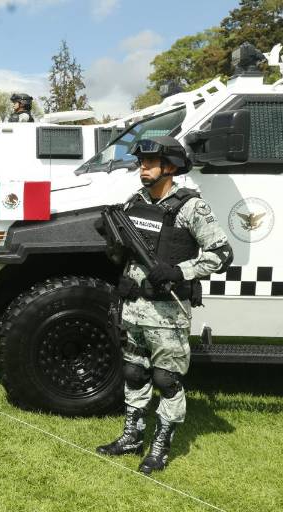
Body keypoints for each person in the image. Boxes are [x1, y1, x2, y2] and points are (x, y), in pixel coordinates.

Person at [95, 136, 233, 474]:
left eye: (150, 162)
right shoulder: (135, 202)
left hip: (167, 315)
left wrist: (178, 271)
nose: (142, 167)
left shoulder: (191, 207)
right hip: (134, 309)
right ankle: (132, 436)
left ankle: (160, 446)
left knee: (166, 379)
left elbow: (221, 254)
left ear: (170, 166)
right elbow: (121, 256)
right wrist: (112, 241)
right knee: (134, 373)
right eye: (141, 162)